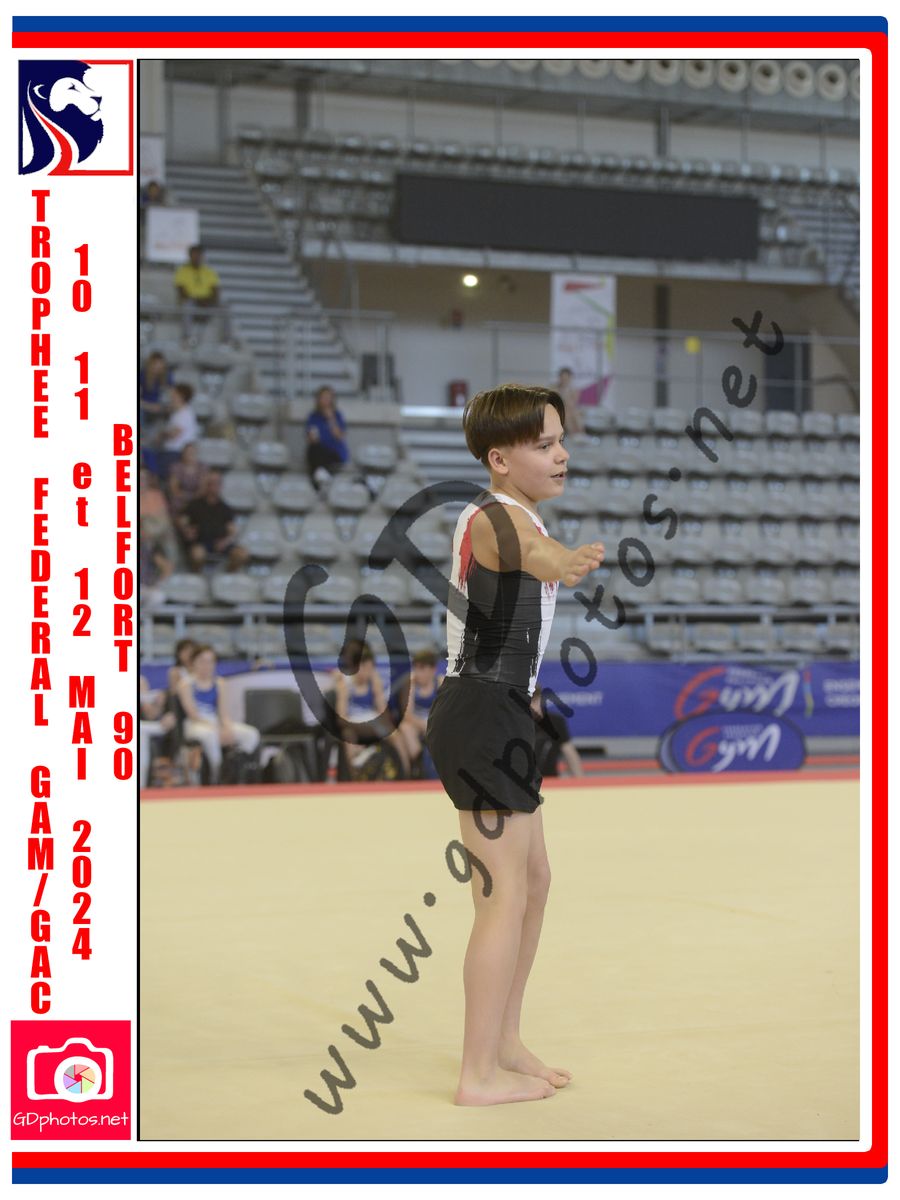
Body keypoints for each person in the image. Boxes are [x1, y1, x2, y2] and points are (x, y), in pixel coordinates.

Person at [422, 382, 605, 1106]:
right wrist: (563, 560)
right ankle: (477, 1074)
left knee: (534, 881)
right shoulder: (496, 518)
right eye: (543, 445)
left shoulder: (516, 512)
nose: (561, 455)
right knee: (501, 897)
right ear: (500, 459)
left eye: (561, 441)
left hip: (501, 714)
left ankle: (504, 1042)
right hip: (479, 713)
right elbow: (530, 553)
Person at [176, 645, 260, 785]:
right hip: (196, 724)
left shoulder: (220, 683)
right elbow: (193, 714)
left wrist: (227, 727)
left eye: (210, 661)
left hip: (216, 722)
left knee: (251, 734)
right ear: (194, 662)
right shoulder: (186, 684)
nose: (207, 665)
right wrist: (216, 729)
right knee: (210, 736)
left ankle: (236, 767)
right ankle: (216, 774)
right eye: (202, 661)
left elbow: (223, 712)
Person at [329, 639, 412, 778]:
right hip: (353, 724)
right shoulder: (345, 684)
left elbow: (383, 712)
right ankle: (355, 778)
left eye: (371, 668)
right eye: (366, 668)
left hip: (372, 722)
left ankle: (405, 774)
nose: (369, 672)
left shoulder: (374, 681)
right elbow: (341, 717)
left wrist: (377, 690)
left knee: (395, 735)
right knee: (349, 739)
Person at [177, 470, 248, 572]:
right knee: (197, 554)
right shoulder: (195, 505)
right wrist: (186, 530)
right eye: (211, 483)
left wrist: (225, 542)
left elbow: (232, 531)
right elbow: (181, 520)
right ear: (206, 485)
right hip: (201, 542)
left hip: (220, 543)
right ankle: (197, 575)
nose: (214, 486)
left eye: (217, 483)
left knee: (242, 554)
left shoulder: (225, 508)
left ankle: (228, 575)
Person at [391, 649, 444, 779]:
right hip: (417, 723)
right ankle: (417, 765)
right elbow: (407, 715)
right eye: (416, 668)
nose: (418, 673)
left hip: (435, 724)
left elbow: (446, 712)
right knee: (405, 728)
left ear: (432, 669)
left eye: (422, 669)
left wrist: (431, 725)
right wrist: (424, 725)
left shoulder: (441, 682)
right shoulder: (410, 684)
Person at [174, 244, 228, 344]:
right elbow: (182, 292)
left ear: (202, 256)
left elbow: (216, 291)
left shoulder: (209, 271)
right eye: (194, 255)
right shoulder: (182, 271)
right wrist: (198, 300)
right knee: (187, 305)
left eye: (198, 255)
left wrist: (208, 301)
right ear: (189, 256)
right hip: (192, 302)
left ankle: (227, 339)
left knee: (226, 307)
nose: (196, 258)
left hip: (207, 303)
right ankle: (187, 337)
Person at [530, 683, 584, 778]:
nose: (532, 706)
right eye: (528, 702)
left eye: (535, 701)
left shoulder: (555, 721)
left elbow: (569, 753)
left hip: (550, 779)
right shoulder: (515, 722)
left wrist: (580, 781)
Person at [305, 385, 349, 489]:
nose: (326, 400)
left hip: (334, 452)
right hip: (318, 451)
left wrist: (331, 419)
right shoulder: (313, 417)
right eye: (323, 397)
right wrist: (312, 437)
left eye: (328, 398)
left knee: (319, 457)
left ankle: (318, 480)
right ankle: (320, 476)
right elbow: (310, 438)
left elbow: (339, 436)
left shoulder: (337, 415)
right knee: (314, 450)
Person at [552, 366, 584, 434]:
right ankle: (574, 434)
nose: (564, 380)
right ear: (560, 378)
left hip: (570, 410)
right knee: (567, 415)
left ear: (570, 378)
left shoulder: (574, 390)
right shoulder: (555, 388)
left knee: (575, 414)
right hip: (559, 410)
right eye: (563, 378)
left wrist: (566, 394)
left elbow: (573, 403)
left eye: (566, 378)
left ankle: (581, 433)